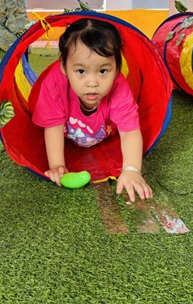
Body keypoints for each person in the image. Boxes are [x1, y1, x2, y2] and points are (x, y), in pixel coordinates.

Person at [32, 18, 153, 202]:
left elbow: (130, 132)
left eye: (103, 71)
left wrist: (131, 169)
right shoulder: (54, 84)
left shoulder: (119, 87)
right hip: (67, 136)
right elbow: (53, 127)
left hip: (105, 134)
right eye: (81, 71)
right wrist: (57, 165)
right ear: (64, 67)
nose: (92, 83)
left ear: (117, 69)